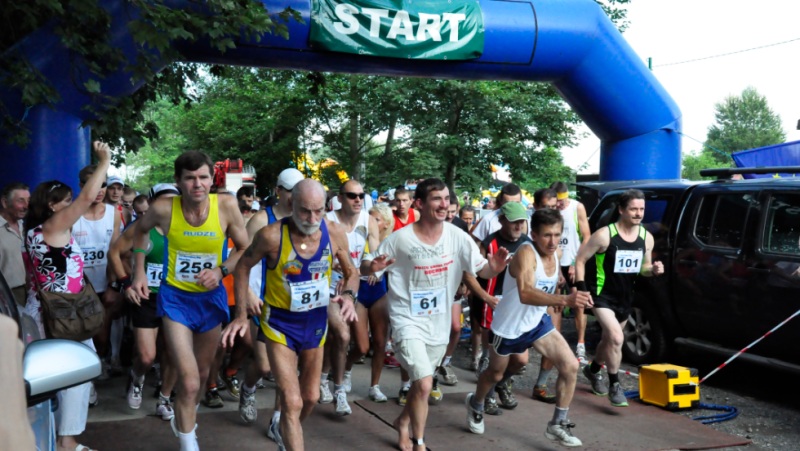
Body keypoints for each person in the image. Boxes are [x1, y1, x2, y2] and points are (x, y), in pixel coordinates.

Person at [363, 178, 510, 451]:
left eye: (446, 199)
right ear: (419, 204)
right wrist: (372, 267)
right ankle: (419, 442)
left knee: (422, 384)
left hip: (438, 323)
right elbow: (367, 265)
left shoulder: (458, 237)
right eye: (436, 199)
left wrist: (496, 268)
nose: (444, 204)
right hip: (407, 320)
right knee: (424, 383)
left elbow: (483, 270)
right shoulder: (400, 239)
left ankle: (403, 421)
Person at [221, 178, 358, 451]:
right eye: (305, 211)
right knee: (292, 400)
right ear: (291, 203)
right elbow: (243, 267)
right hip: (279, 324)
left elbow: (351, 272)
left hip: (315, 324)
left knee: (310, 397)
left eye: (319, 211)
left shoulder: (333, 232)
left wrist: (349, 297)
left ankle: (285, 431)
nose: (312, 219)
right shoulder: (271, 235)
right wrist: (241, 315)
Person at [130, 150, 249, 451]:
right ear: (178, 181)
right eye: (190, 178)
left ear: (212, 179)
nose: (198, 184)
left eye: (203, 177)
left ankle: (185, 421)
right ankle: (188, 442)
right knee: (190, 380)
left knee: (203, 374)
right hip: (175, 300)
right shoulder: (163, 208)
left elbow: (245, 249)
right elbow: (139, 233)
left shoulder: (226, 206)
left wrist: (220, 271)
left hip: (210, 300)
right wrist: (139, 272)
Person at [466, 208, 592, 447]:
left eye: (557, 235)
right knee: (495, 373)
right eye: (547, 235)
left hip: (536, 323)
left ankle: (558, 423)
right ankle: (476, 403)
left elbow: (551, 284)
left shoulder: (557, 253)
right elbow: (525, 293)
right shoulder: (526, 253)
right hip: (508, 326)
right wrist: (564, 300)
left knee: (570, 366)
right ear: (533, 235)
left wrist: (563, 293)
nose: (553, 241)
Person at [24, 140, 110, 451]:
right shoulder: (53, 227)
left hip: (49, 311)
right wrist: (104, 161)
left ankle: (55, 440)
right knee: (76, 376)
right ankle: (67, 442)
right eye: (67, 201)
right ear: (52, 205)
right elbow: (88, 197)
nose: (74, 205)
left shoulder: (36, 231)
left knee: (58, 379)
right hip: (63, 316)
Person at [575, 189, 664, 407]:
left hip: (625, 297)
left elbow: (643, 268)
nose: (638, 213)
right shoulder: (604, 235)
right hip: (601, 294)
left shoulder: (646, 237)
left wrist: (653, 270)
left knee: (609, 340)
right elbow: (580, 260)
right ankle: (615, 384)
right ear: (622, 210)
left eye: (641, 209)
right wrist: (582, 289)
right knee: (616, 337)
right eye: (633, 209)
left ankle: (593, 369)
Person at [237, 167, 303, 442]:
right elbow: (241, 256)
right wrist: (248, 294)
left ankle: (278, 420)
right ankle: (248, 388)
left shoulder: (305, 220)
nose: (295, 196)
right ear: (278, 191)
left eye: (298, 191)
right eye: (290, 191)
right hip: (262, 301)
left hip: (292, 304)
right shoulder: (262, 220)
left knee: (287, 369)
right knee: (264, 365)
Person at [108, 183, 179, 418]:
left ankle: (165, 398)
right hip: (147, 297)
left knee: (173, 352)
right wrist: (126, 283)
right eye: (164, 200)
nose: (169, 205)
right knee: (147, 356)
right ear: (153, 202)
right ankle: (137, 377)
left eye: (174, 200)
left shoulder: (186, 228)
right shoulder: (142, 227)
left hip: (177, 297)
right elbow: (114, 252)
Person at [323, 180, 383, 412]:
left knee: (355, 343)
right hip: (328, 288)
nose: (358, 199)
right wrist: (335, 266)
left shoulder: (368, 221)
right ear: (340, 198)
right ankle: (334, 387)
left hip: (354, 287)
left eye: (361, 195)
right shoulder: (327, 221)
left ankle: (333, 376)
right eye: (351, 195)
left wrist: (370, 268)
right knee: (339, 335)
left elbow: (371, 257)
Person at [469, 183, 525, 373]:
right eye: (514, 221)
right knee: (486, 327)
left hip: (514, 293)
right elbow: (474, 264)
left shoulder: (526, 241)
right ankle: (486, 356)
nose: (519, 225)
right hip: (491, 290)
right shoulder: (489, 238)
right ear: (502, 219)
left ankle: (505, 369)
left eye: (521, 221)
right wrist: (475, 288)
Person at [74, 167, 123, 379]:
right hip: (79, 287)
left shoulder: (114, 214)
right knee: (83, 332)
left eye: (103, 184)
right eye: (93, 184)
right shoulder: (72, 214)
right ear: (82, 186)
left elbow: (115, 252)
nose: (100, 189)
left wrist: (113, 285)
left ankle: (102, 362)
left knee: (103, 333)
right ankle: (86, 374)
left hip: (105, 283)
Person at [550, 181, 592, 364]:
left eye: (563, 201)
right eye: (558, 201)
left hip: (573, 262)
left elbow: (587, 237)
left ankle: (581, 344)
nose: (560, 205)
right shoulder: (551, 210)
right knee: (556, 304)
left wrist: (576, 262)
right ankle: (556, 343)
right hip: (555, 263)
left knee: (579, 303)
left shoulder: (577, 207)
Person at [0, 182, 30, 306]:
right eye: (20, 201)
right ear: (5, 203)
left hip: (30, 291)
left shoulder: (26, 226)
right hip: (6, 294)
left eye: (28, 200)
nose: (26, 206)